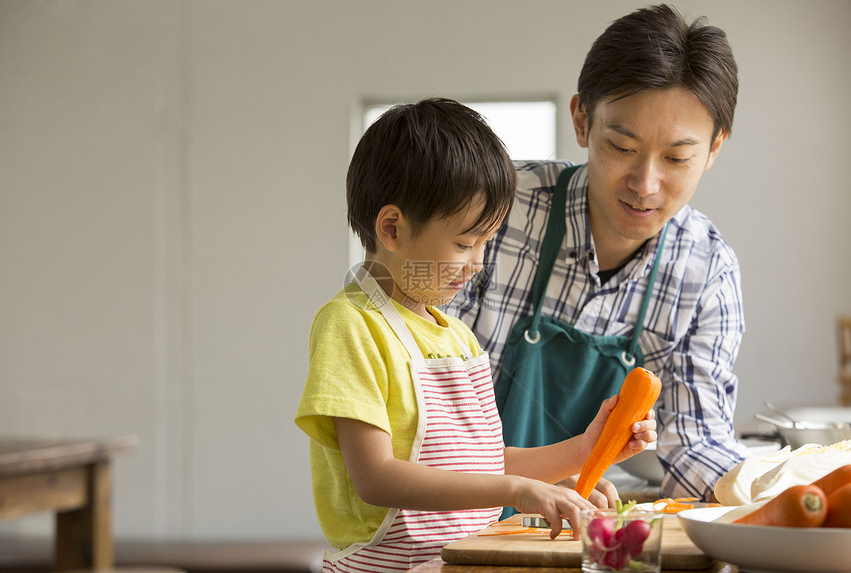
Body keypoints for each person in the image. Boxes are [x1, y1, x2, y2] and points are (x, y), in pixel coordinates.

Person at [295, 98, 657, 572]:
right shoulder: (351, 325)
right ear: (392, 228)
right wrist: (517, 492)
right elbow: (376, 478)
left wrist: (580, 455)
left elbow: (486, 462)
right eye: (466, 243)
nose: (478, 263)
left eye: (486, 243)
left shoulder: (458, 339)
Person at [446, 4, 749, 502]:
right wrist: (536, 476)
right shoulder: (489, 212)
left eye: (676, 157)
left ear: (714, 148)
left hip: (582, 528)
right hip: (448, 520)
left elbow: (696, 443)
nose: (645, 184)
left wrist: (767, 494)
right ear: (582, 120)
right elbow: (417, 406)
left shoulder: (707, 273)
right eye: (622, 146)